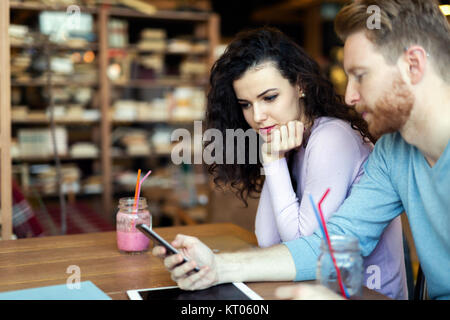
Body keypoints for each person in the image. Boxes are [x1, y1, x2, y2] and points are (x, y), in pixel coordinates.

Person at [154, 0, 450, 300]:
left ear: (413, 65)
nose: (349, 96)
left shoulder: (338, 138)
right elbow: (327, 245)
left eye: (361, 75)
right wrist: (217, 266)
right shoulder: (393, 153)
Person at [202, 26, 406, 299]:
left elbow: (303, 248)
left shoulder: (332, 137)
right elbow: (268, 241)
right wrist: (275, 158)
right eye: (246, 104)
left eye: (269, 97)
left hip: (367, 294)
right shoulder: (290, 142)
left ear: (300, 85)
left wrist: (273, 162)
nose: (258, 116)